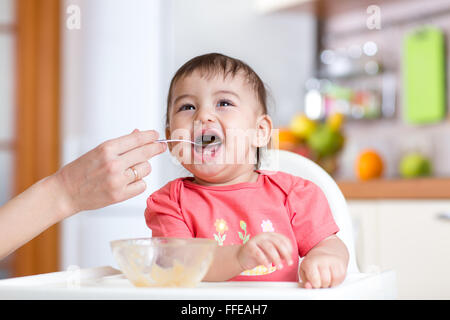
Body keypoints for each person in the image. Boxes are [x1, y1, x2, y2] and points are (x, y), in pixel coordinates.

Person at [145, 53, 349, 289]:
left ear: (260, 131)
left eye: (224, 103)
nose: (203, 116)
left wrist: (326, 259)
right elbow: (180, 264)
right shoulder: (169, 203)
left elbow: (328, 244)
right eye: (187, 106)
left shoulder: (295, 194)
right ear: (171, 138)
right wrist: (238, 257)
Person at [0, 129, 166, 260]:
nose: (194, 120)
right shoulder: (168, 200)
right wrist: (66, 190)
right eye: (187, 107)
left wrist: (65, 190)